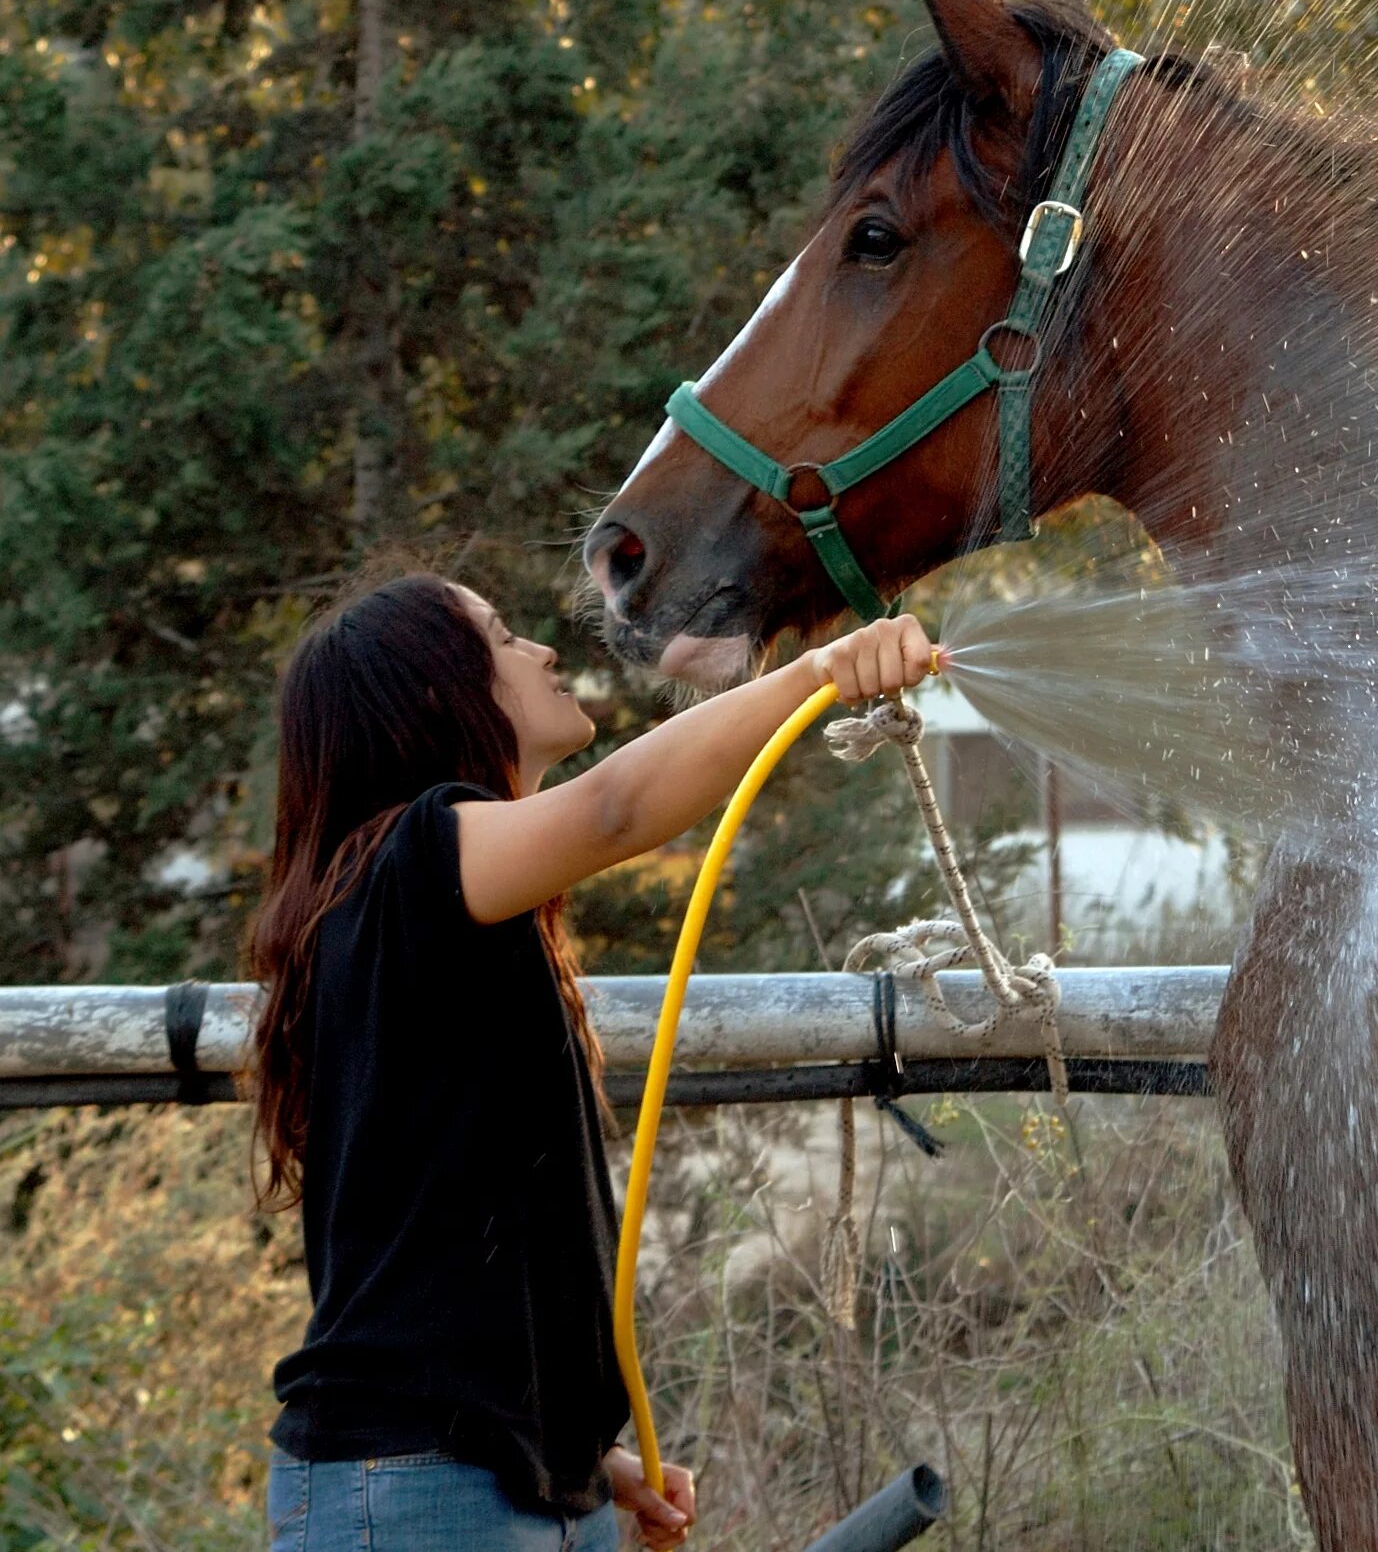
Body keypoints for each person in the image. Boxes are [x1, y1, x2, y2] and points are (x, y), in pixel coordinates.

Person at [245, 570, 935, 1551]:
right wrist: (821, 673)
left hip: (489, 1482)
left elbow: (441, 1254)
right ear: (435, 690)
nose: (542, 650)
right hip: (412, 1491)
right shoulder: (410, 864)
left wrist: (575, 1453)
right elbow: (614, 808)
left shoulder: (420, 909)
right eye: (499, 638)